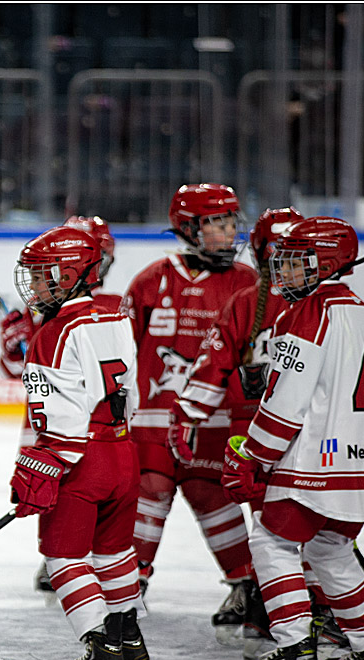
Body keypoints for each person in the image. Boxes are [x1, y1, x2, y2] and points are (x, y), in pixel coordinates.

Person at [224, 217, 364, 660]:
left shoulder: (306, 312)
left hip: (311, 462)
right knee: (331, 550)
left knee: (271, 542)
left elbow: (286, 401)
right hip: (358, 465)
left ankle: (292, 647)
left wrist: (254, 453)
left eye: (296, 262)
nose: (283, 273)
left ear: (326, 263)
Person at [8, 226, 147, 660]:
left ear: (67, 274)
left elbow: (62, 427)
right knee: (115, 551)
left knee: (63, 555)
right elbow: (135, 395)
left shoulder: (53, 333)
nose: (32, 287)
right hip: (124, 453)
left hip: (82, 462)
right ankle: (129, 635)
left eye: (39, 276)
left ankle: (100, 642)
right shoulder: (117, 317)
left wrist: (36, 472)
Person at [121, 184, 258, 630]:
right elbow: (123, 351)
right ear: (187, 227)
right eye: (216, 222)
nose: (229, 231)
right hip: (154, 416)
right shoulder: (150, 279)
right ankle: (131, 586)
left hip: (215, 416)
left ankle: (245, 584)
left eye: (231, 221)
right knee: (152, 488)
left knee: (209, 492)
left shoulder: (246, 283)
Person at [168, 207, 303, 651]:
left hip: (293, 437)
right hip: (273, 437)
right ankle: (287, 616)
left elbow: (211, 368)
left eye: (298, 256)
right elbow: (213, 367)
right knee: (286, 534)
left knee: (301, 536)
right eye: (283, 255)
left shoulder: (262, 301)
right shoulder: (250, 302)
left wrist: (187, 413)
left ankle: (296, 618)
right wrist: (186, 415)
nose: (289, 265)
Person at [0, 215, 118, 597]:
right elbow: (15, 370)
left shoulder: (106, 311)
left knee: (87, 491)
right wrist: (13, 343)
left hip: (88, 427)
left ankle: (82, 562)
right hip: (49, 421)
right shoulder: (46, 310)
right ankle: (66, 560)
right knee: (57, 494)